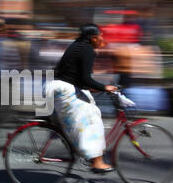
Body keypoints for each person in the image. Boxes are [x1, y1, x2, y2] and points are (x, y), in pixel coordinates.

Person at [45, 24, 118, 173]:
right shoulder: (88, 50)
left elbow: (74, 76)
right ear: (93, 38)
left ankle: (80, 147)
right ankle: (97, 162)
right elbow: (85, 78)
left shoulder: (76, 45)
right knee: (92, 118)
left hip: (56, 87)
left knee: (89, 106)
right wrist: (104, 87)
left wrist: (91, 87)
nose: (102, 38)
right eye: (101, 35)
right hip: (64, 90)